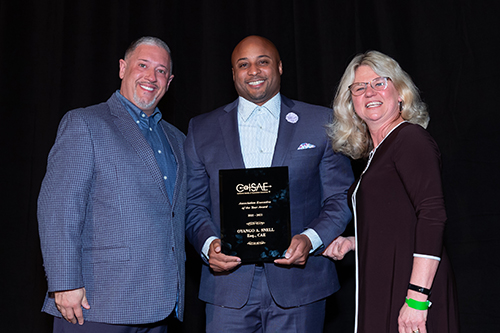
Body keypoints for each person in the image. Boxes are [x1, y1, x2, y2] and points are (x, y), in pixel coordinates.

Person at [184, 35, 354, 332]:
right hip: (227, 290)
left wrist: (310, 240)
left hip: (301, 286)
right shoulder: (202, 129)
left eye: (263, 61)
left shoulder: (321, 122)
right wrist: (210, 245)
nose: (254, 71)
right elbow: (193, 204)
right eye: (243, 64)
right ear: (233, 73)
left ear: (279, 67)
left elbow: (340, 199)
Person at [38, 36, 187, 332]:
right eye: (142, 65)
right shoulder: (86, 123)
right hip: (95, 305)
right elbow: (59, 209)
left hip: (160, 306)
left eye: (160, 71)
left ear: (169, 82)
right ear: (122, 68)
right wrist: (64, 283)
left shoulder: (178, 140)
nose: (151, 76)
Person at [323, 50, 459, 333]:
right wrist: (354, 242)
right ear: (351, 102)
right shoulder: (377, 153)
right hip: (386, 284)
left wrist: (418, 299)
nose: (369, 92)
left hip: (411, 291)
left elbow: (432, 216)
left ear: (400, 93)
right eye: (359, 87)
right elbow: (397, 223)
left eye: (379, 82)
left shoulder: (410, 139)